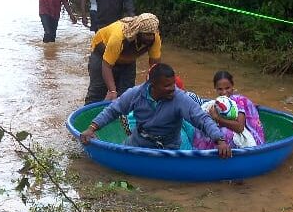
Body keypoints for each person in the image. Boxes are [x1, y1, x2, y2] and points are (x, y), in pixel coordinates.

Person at [80, 63, 232, 158]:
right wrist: (91, 128)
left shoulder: (180, 98)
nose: (173, 89)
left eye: (173, 84)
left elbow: (201, 119)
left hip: (169, 149)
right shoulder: (135, 93)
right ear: (152, 84)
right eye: (167, 86)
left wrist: (220, 140)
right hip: (138, 143)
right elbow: (113, 110)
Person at [85, 13, 161, 104]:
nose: (151, 37)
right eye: (147, 35)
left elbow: (155, 65)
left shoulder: (155, 38)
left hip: (127, 60)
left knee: (126, 95)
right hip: (101, 57)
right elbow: (107, 66)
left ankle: (121, 117)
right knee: (97, 93)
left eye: (152, 34)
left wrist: (155, 84)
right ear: (138, 33)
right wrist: (112, 91)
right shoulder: (119, 37)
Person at [193, 70, 266, 149]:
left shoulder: (238, 101)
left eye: (227, 88)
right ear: (215, 89)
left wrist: (217, 119)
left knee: (223, 133)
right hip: (230, 130)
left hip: (242, 133)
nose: (224, 92)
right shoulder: (216, 104)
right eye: (220, 89)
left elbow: (239, 128)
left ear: (232, 86)